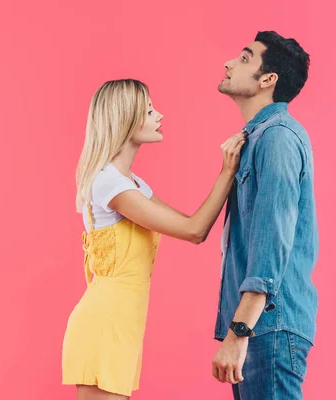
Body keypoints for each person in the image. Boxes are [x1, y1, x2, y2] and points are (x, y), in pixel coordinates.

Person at [62, 79, 245, 399]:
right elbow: (194, 231)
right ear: (126, 117)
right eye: (148, 110)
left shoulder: (130, 183)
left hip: (123, 322)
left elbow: (191, 223)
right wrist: (227, 171)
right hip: (106, 322)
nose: (158, 115)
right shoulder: (109, 184)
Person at [211, 31, 318, 400]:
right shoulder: (257, 138)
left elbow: (272, 241)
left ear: (267, 79)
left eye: (244, 58)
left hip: (267, 327)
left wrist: (239, 331)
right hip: (261, 327)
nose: (229, 62)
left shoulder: (277, 138)